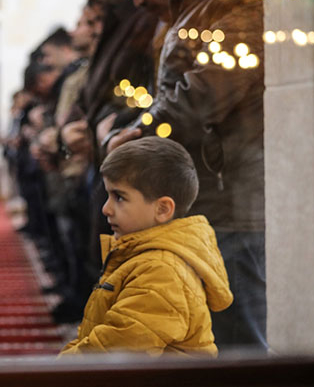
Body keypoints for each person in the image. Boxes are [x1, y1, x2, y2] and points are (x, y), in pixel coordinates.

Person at [105, 0, 267, 352]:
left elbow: (210, 89)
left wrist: (143, 128)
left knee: (236, 344)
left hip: (230, 201)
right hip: (214, 193)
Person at [59, 137, 233, 356]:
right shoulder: (144, 258)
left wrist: (57, 369)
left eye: (119, 197)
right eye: (108, 195)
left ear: (162, 209)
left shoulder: (161, 273)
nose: (106, 209)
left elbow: (112, 354)